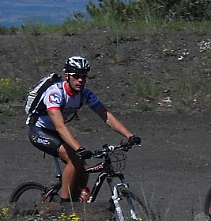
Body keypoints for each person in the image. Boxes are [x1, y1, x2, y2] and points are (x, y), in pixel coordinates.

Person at [27, 56, 140, 203]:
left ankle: (76, 205)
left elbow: (105, 115)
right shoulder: (55, 93)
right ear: (67, 76)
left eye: (83, 76)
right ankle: (65, 205)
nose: (80, 80)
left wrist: (129, 135)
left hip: (56, 131)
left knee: (83, 168)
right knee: (74, 159)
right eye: (76, 76)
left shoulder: (85, 94)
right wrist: (79, 149)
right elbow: (60, 126)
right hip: (39, 130)